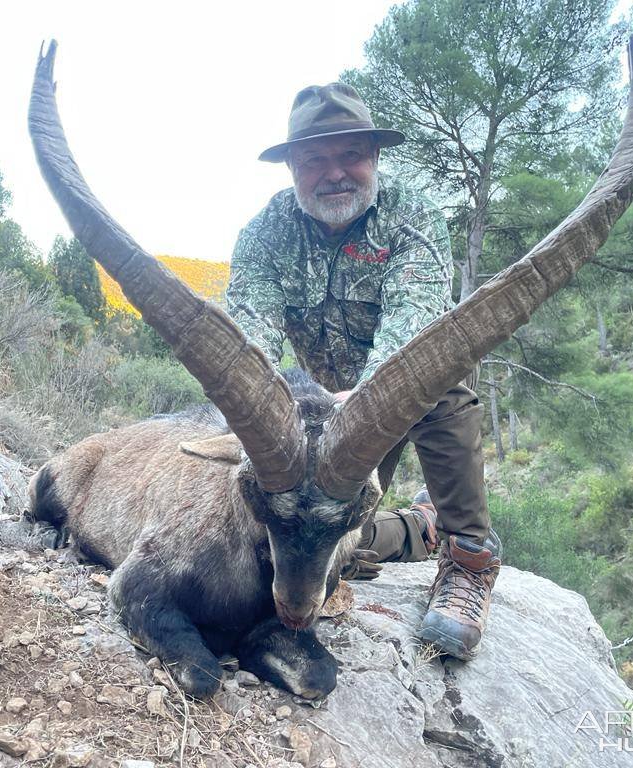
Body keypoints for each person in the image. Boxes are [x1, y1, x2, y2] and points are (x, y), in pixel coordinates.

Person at [226, 82, 502, 661]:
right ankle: (418, 528)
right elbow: (247, 346)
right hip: (314, 419)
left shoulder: (413, 217)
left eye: (350, 155)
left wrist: (354, 418)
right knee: (320, 541)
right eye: (314, 160)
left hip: (390, 399)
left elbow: (414, 337)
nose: (335, 174)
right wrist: (264, 428)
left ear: (374, 159)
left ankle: (470, 558)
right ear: (293, 170)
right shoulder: (264, 234)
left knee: (442, 378)